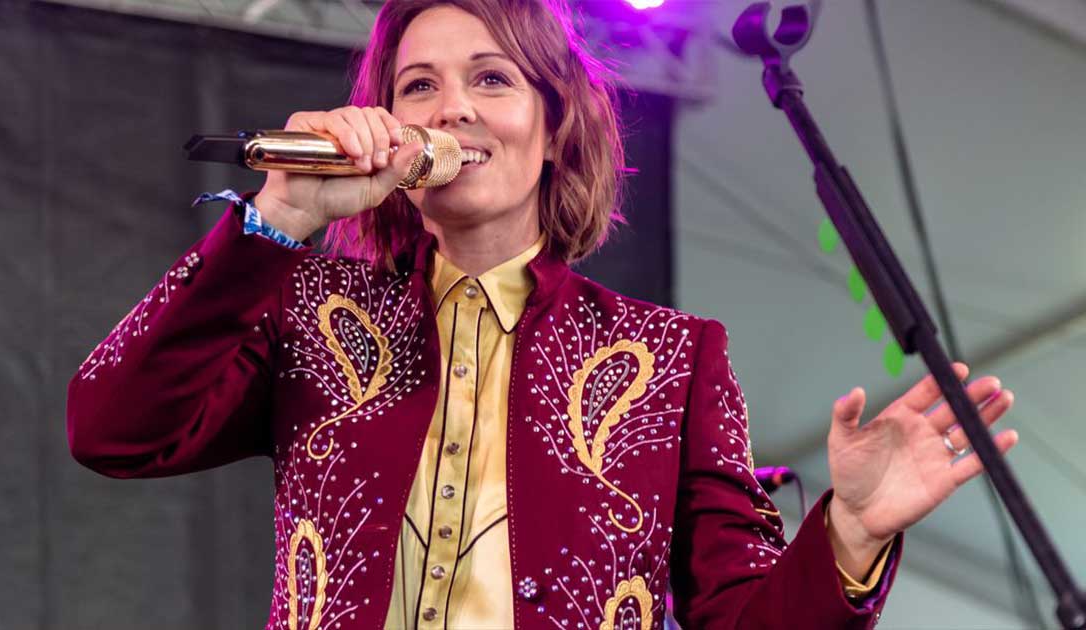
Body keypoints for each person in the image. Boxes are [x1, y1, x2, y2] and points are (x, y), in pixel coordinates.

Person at [66, 0, 1019, 627]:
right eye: (419, 87)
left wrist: (850, 534)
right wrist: (279, 218)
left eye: (491, 79)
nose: (454, 111)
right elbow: (112, 427)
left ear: (557, 120)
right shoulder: (311, 312)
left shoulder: (673, 358)